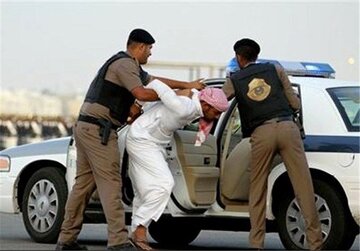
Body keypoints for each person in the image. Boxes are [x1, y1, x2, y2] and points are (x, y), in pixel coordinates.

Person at [55, 28, 205, 251]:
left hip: (87, 127)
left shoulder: (130, 66)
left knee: (83, 187)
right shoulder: (124, 64)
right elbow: (142, 94)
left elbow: (155, 81)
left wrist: (186, 85)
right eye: (150, 49)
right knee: (111, 185)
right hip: (99, 131)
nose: (151, 54)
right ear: (141, 47)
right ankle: (118, 241)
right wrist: (174, 96)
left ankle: (66, 239)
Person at [222, 38, 323, 250]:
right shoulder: (275, 70)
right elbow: (295, 103)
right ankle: (315, 243)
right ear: (256, 56)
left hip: (261, 133)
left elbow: (220, 101)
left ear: (239, 58)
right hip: (288, 129)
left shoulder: (235, 78)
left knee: (257, 188)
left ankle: (256, 243)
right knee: (303, 187)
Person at [126, 80, 229, 251]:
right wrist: (138, 104)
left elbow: (191, 94)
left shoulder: (195, 102)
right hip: (142, 139)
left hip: (155, 142)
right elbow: (156, 83)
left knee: (143, 191)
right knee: (165, 184)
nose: (217, 117)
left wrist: (189, 88)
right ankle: (140, 229)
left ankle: (134, 234)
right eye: (216, 112)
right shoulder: (184, 107)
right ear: (205, 104)